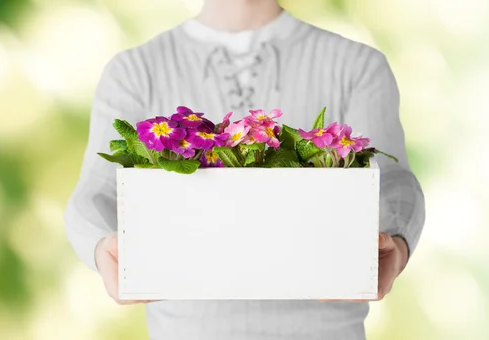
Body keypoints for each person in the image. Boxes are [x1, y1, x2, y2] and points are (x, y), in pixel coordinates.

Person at [64, 0, 426, 339]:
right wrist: (103, 247)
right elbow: (94, 193)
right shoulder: (133, 72)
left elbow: (393, 182)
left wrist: (394, 241)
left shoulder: (356, 65)